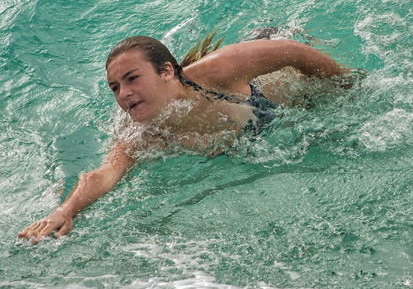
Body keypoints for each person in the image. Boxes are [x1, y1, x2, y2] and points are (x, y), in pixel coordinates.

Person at [18, 33, 349, 242]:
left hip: (285, 101)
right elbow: (104, 174)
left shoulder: (220, 70)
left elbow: (292, 51)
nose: (124, 94)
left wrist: (347, 84)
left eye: (132, 78)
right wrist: (66, 210)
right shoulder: (142, 134)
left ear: (166, 71)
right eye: (115, 87)